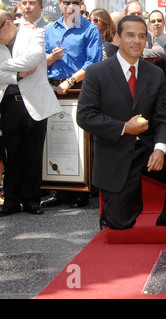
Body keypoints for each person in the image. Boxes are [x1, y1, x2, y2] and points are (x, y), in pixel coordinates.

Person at [77, 15, 166, 230]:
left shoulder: (155, 74)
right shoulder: (97, 73)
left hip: (147, 146)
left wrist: (160, 149)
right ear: (117, 37)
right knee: (120, 224)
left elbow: (162, 117)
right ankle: (112, 214)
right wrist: (124, 127)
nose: (137, 41)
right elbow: (85, 116)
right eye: (130, 35)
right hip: (116, 150)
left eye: (142, 36)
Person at [0, 11, 62, 216]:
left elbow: (32, 61)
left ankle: (31, 200)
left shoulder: (32, 34)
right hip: (8, 104)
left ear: (7, 24)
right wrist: (16, 75)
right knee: (13, 153)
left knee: (33, 153)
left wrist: (4, 71)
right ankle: (10, 201)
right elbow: (24, 68)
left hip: (34, 103)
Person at [42, 0, 102, 208]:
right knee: (57, 139)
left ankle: (81, 190)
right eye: (66, 1)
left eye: (75, 2)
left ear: (81, 4)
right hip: (53, 90)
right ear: (59, 4)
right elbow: (41, 59)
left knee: (80, 139)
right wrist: (49, 59)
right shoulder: (50, 29)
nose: (70, 5)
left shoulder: (90, 29)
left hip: (79, 89)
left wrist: (70, 80)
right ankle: (60, 189)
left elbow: (93, 63)